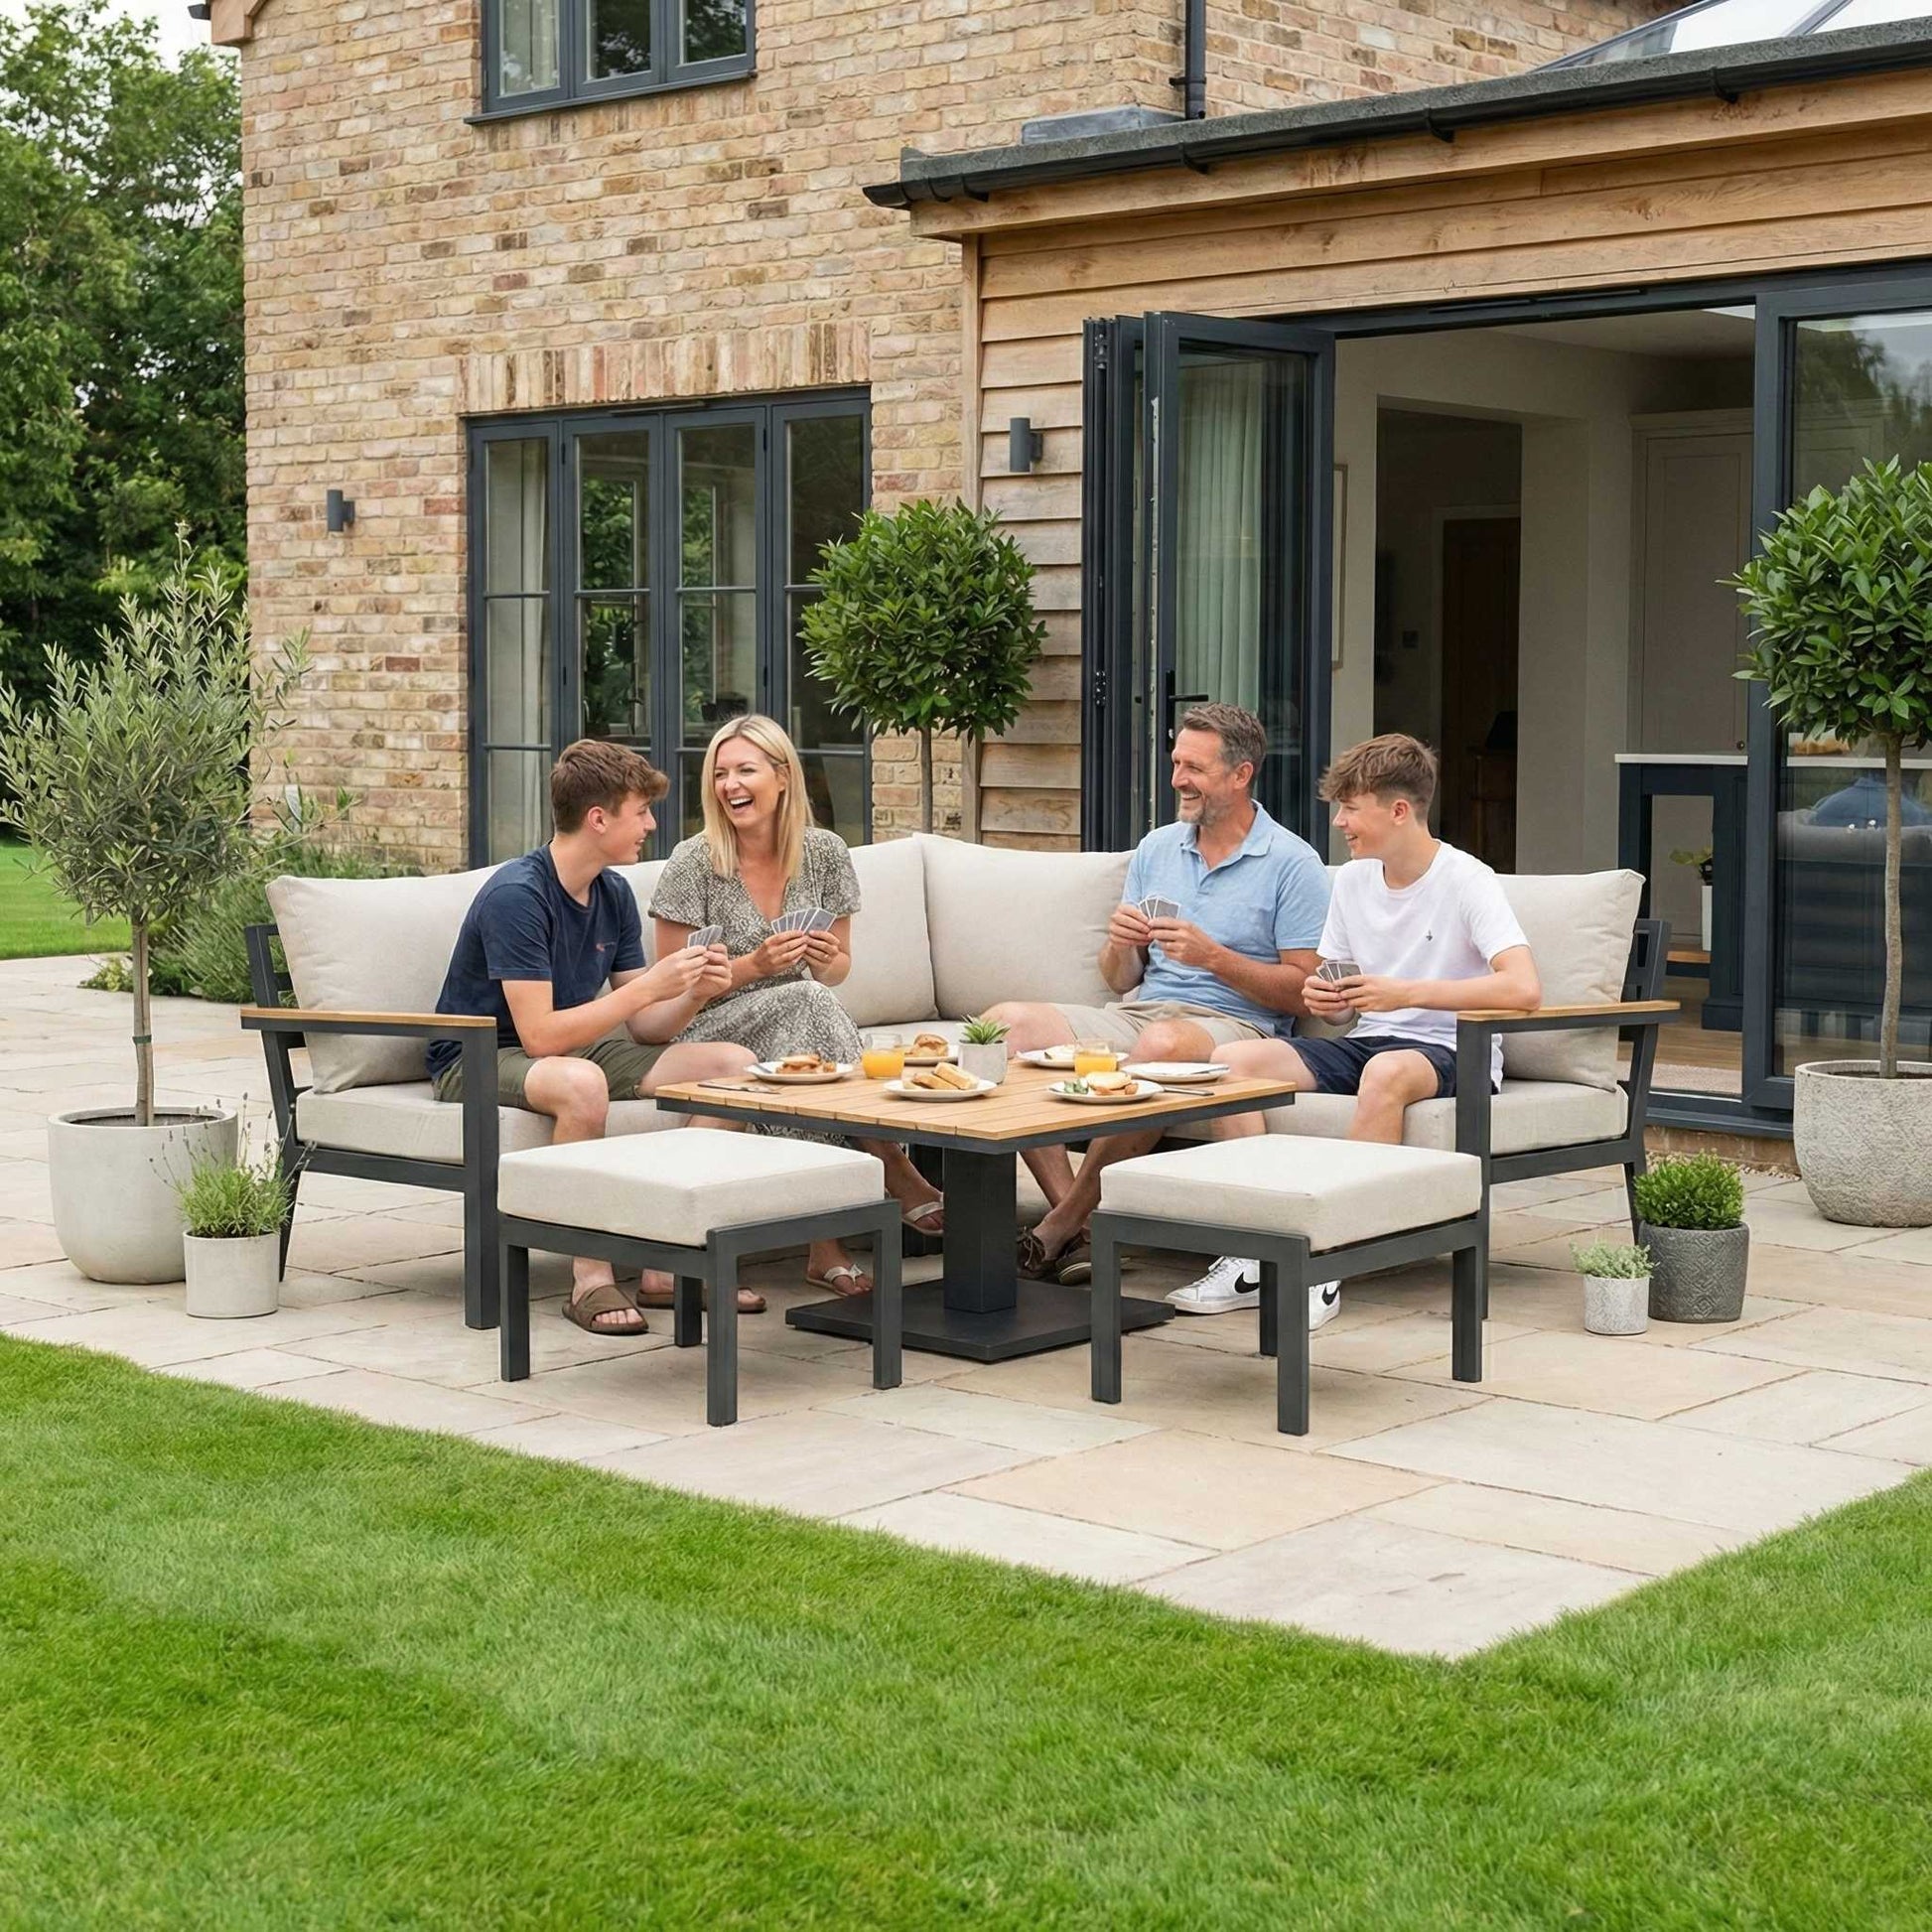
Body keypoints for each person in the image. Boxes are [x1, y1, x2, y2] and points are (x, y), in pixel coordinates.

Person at [1169, 732, 1541, 1327]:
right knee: (1235, 1062)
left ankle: (1327, 1264)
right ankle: (1253, 1248)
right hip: (1368, 1041)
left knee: (1386, 1071)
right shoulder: (1352, 880)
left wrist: (1406, 993)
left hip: (1449, 1047)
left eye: (1350, 808)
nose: (1339, 822)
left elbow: (1522, 988)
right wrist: (1329, 999)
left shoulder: (1466, 879)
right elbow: (1338, 1000)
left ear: (1399, 811)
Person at [982, 702, 1331, 1287]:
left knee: (1163, 1046)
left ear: (1241, 774)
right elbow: (1121, 980)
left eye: (1193, 767)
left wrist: (1214, 958)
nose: (1177, 779)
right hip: (1142, 1012)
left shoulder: (1292, 864)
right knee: (1005, 1025)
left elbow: (1303, 991)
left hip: (1235, 1026)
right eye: (1175, 763)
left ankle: (1059, 1225)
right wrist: (1121, 945)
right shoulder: (1157, 848)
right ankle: (1079, 1221)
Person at [427, 739, 754, 1338]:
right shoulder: (518, 896)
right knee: (582, 1083)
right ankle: (589, 1276)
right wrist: (648, 986)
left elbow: (645, 1027)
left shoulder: (613, 891)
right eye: (641, 812)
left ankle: (666, 1260)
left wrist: (694, 991)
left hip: (570, 1046)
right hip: (478, 1053)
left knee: (734, 1065)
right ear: (598, 819)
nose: (650, 826)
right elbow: (539, 1036)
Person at [650, 714, 945, 1297]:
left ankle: (826, 1241)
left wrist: (825, 955)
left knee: (806, 1018)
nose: (730, 785)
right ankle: (889, 1165)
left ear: (782, 777)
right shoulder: (693, 862)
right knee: (805, 1003)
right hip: (708, 1029)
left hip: (798, 1021)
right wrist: (756, 965)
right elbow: (672, 989)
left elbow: (837, 970)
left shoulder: (825, 853)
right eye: (720, 773)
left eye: (745, 770)